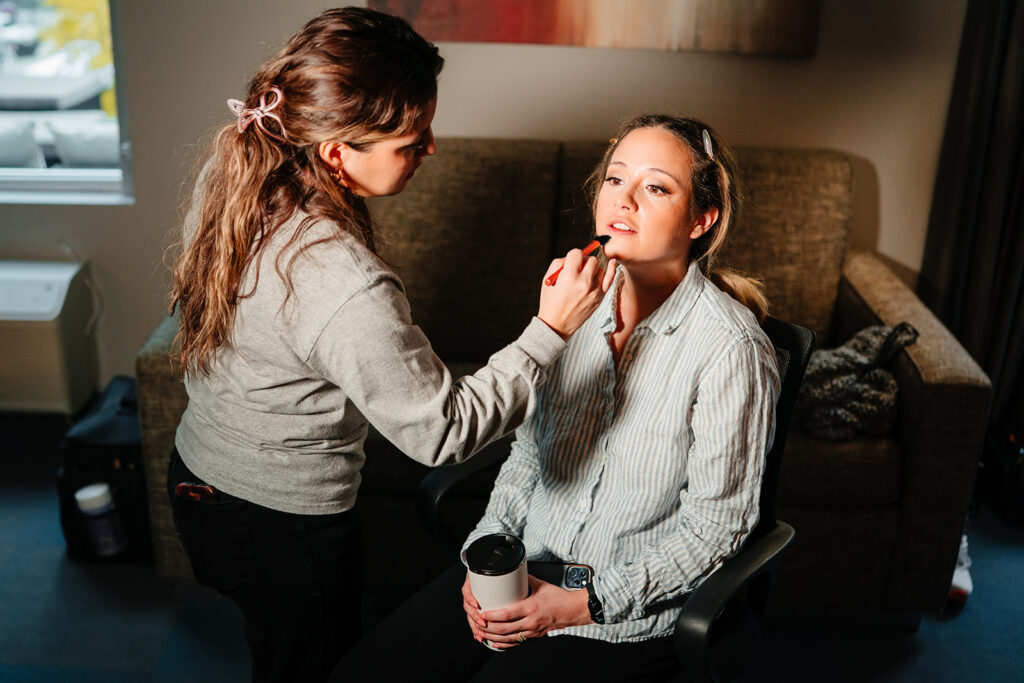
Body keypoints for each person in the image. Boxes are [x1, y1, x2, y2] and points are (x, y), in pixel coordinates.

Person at [165, 8, 615, 683]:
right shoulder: (340, 281)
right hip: (276, 523)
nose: (430, 146)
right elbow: (443, 432)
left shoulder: (239, 177)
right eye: (412, 138)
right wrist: (549, 331)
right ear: (338, 151)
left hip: (200, 477)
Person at [333, 114, 781, 682]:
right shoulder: (573, 308)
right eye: (616, 180)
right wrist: (482, 556)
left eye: (657, 187)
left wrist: (581, 602)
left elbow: (715, 529)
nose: (626, 200)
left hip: (620, 616)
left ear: (701, 219)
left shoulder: (731, 348)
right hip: (526, 572)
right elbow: (526, 459)